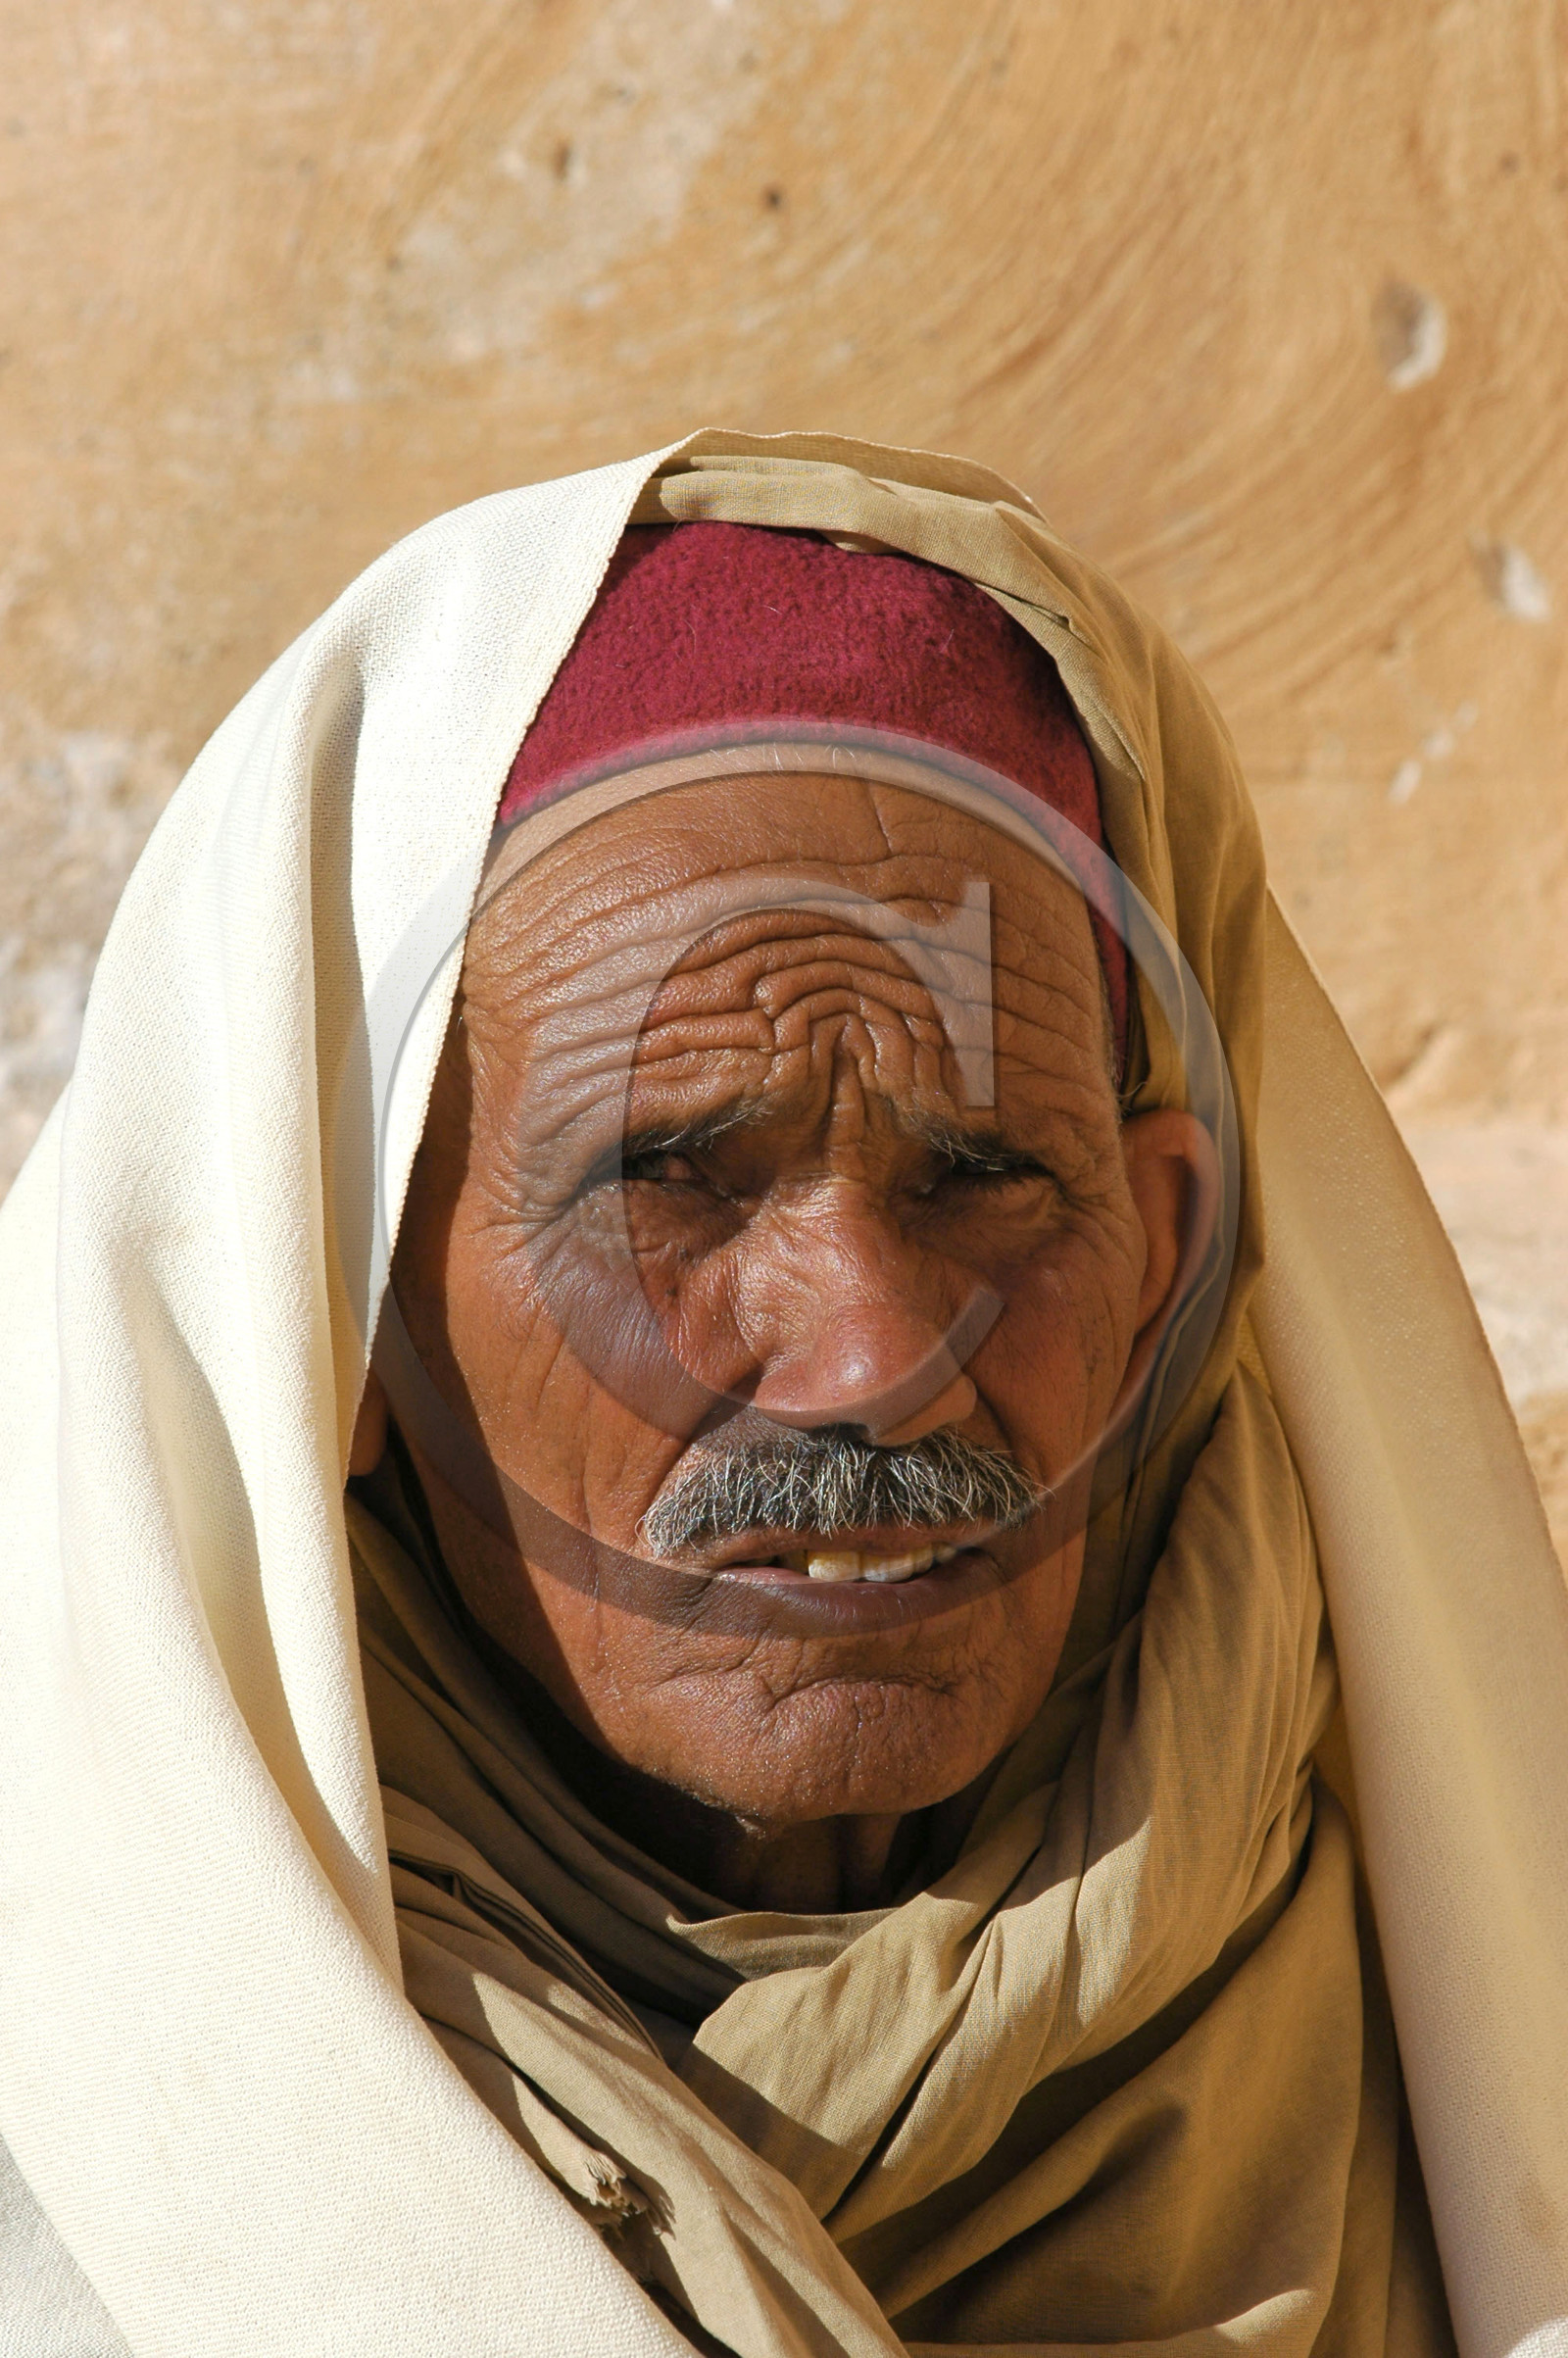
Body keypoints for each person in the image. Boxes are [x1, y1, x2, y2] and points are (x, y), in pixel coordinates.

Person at [0, 432, 1563, 2358]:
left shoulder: (1445, 2060)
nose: (866, 1359)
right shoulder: (69, 2175)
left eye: (983, 1179)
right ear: (344, 1304)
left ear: (1161, 1261)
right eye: (671, 1181)